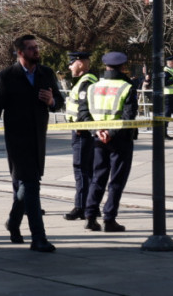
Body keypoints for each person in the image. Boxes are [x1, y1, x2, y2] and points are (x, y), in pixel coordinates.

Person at [0, 34, 63, 253]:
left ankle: (13, 222)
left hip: (39, 139)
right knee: (32, 186)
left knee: (26, 186)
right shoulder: (7, 76)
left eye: (37, 47)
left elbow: (60, 102)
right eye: (31, 48)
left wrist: (51, 101)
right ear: (20, 52)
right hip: (17, 141)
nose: (36, 51)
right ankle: (39, 238)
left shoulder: (46, 73)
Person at [84, 51, 138, 232]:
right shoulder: (126, 86)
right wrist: (111, 132)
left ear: (105, 66)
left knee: (97, 177)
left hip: (98, 139)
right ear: (123, 67)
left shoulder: (93, 87)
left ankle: (90, 216)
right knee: (116, 180)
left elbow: (83, 115)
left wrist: (97, 131)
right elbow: (128, 116)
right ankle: (109, 219)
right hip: (120, 139)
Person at [63, 51, 97, 222]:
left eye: (72, 63)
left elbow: (84, 108)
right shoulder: (86, 81)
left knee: (81, 169)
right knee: (88, 169)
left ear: (81, 63)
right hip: (83, 130)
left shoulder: (86, 82)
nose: (69, 67)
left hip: (81, 131)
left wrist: (80, 125)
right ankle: (92, 206)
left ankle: (81, 206)